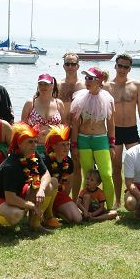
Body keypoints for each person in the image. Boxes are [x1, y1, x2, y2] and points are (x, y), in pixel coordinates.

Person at [0, 123, 57, 236]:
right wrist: (32, 206)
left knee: (52, 183)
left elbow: (46, 173)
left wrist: (41, 189)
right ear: (19, 144)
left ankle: (35, 224)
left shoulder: (33, 155)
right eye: (30, 142)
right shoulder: (11, 166)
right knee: (17, 215)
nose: (34, 145)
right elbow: (10, 198)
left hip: (16, 194)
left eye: (35, 141)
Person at [70, 67, 116, 210]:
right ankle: (85, 208)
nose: (87, 81)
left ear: (99, 81)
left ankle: (110, 208)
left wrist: (112, 144)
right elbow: (75, 124)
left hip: (101, 139)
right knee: (87, 175)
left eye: (90, 78)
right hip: (83, 139)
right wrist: (74, 145)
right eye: (86, 78)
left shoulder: (108, 99)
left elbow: (111, 123)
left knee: (106, 175)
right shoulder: (80, 98)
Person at [107, 53, 140, 209]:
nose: (122, 69)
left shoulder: (136, 85)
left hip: (131, 130)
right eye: (120, 66)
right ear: (115, 66)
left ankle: (137, 197)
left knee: (137, 165)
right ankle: (117, 201)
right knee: (116, 168)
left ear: (130, 68)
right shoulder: (107, 85)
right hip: (114, 131)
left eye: (126, 66)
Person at [58, 52, 85, 199]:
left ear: (78, 66)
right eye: (67, 64)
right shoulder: (58, 84)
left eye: (73, 64)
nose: (70, 67)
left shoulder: (82, 85)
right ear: (63, 66)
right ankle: (59, 197)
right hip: (61, 128)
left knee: (76, 163)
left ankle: (74, 199)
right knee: (58, 162)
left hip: (78, 129)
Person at [43, 125, 81, 225]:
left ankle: (56, 211)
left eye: (68, 144)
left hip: (59, 195)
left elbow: (68, 186)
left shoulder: (69, 162)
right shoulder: (45, 160)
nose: (66, 148)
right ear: (54, 146)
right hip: (46, 195)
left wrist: (64, 202)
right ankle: (47, 214)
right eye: (63, 145)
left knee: (77, 219)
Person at [21, 73, 66, 156]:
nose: (43, 87)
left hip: (54, 147)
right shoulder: (30, 103)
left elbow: (64, 126)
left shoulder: (59, 103)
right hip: (34, 146)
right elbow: (22, 127)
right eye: (40, 84)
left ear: (52, 85)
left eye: (46, 84)